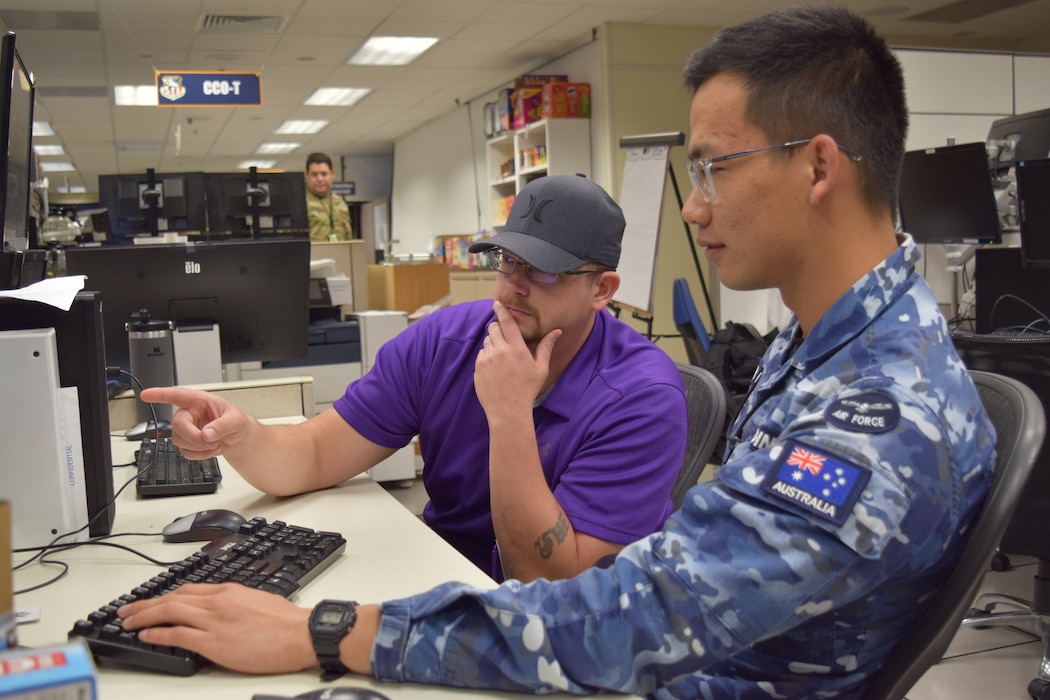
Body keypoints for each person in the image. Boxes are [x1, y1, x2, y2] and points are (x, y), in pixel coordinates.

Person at [119, 7, 997, 697]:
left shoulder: (876, 414)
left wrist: (326, 630)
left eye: (713, 168)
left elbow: (627, 617)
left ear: (817, 167)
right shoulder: (823, 348)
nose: (693, 209)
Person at [138, 173, 687, 584]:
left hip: (554, 624)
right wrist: (241, 435)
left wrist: (510, 411)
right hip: (441, 574)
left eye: (543, 270)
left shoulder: (642, 397)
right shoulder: (443, 343)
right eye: (507, 260)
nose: (512, 288)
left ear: (602, 289)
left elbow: (549, 584)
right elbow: (314, 455)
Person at [305, 152, 352, 242]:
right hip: (313, 255)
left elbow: (348, 235)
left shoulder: (340, 203)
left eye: (324, 174)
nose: (320, 179)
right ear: (307, 176)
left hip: (341, 254)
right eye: (314, 175)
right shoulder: (300, 204)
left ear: (332, 174)